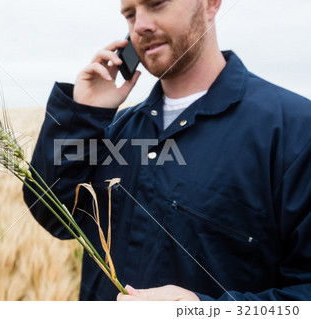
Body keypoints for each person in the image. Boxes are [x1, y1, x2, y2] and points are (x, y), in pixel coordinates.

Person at [23, 0, 311, 301]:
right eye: (130, 14)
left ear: (211, 4)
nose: (140, 25)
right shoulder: (116, 130)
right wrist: (83, 114)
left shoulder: (296, 131)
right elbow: (54, 216)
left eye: (157, 4)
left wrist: (204, 309)